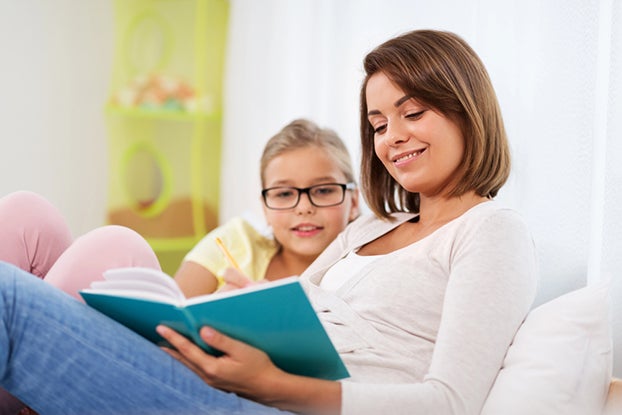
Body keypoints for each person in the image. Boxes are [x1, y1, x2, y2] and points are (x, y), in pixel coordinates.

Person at [0, 29, 537, 414]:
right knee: (32, 216)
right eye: (378, 123)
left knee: (8, 297)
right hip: (247, 381)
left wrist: (273, 385)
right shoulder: (370, 228)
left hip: (275, 400)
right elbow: (296, 308)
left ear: (469, 110)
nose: (391, 136)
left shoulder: (491, 231)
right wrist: (242, 308)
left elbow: (449, 402)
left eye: (412, 113)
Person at [174, 118, 360, 297]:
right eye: (284, 194)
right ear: (265, 208)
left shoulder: (365, 276)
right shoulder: (233, 245)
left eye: (323, 190)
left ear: (353, 202)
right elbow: (166, 320)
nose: (304, 208)